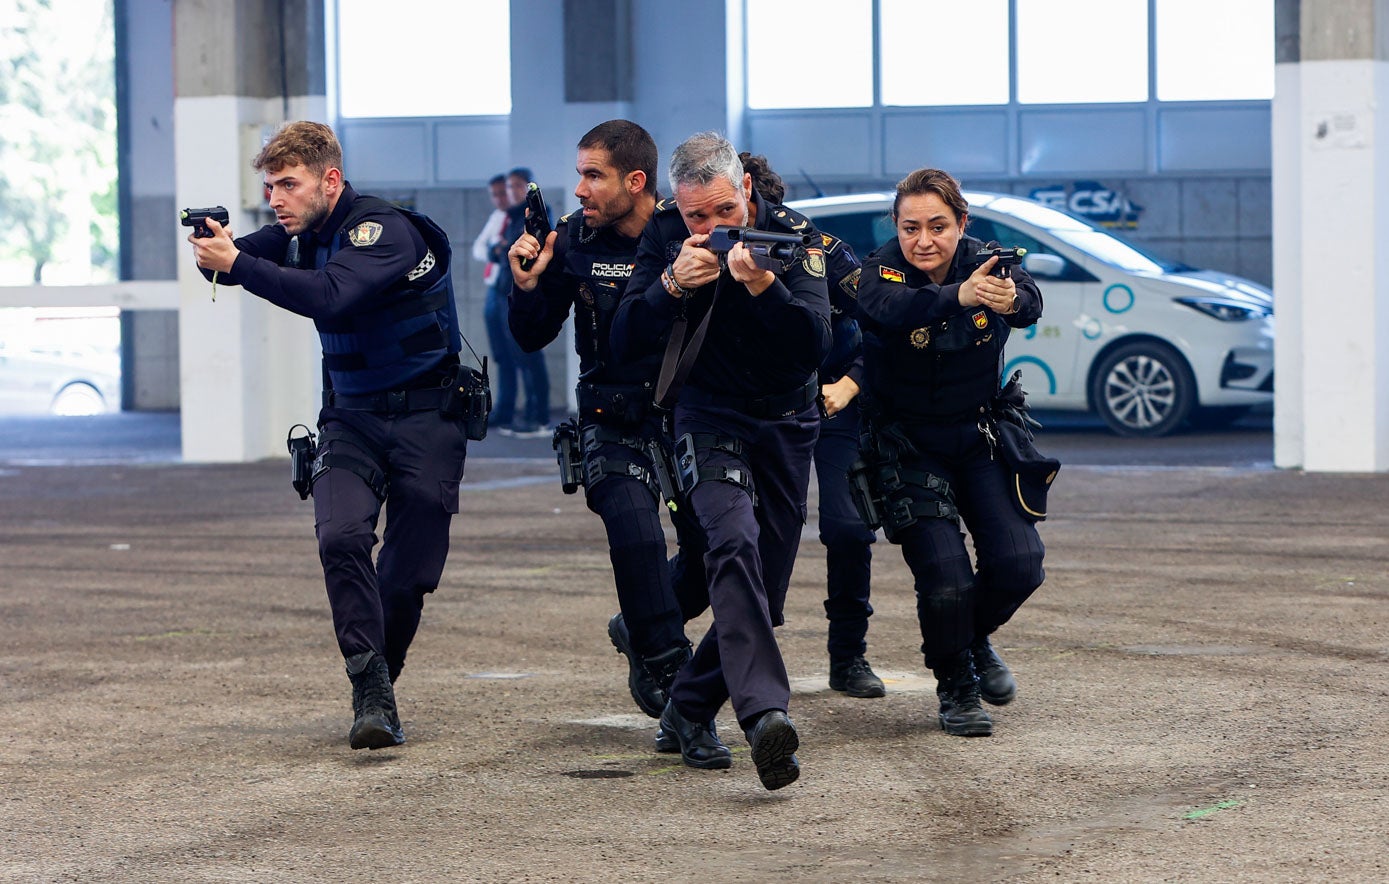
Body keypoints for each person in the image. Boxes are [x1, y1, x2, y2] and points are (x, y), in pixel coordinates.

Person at [187, 121, 474, 751]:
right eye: (269, 187)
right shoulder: (301, 230)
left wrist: (237, 261)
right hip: (351, 419)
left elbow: (333, 295)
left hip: (427, 417)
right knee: (341, 536)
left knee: (408, 574)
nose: (276, 199)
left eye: (288, 184)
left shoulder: (382, 230)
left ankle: (383, 679)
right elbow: (243, 262)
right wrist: (218, 247)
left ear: (330, 180)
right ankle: (369, 687)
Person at [611, 131, 831, 791]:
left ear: (745, 192)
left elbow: (812, 347)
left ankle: (685, 708)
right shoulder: (664, 237)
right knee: (730, 543)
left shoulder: (794, 240)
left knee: (765, 585)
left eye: (721, 214)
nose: (708, 229)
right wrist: (670, 285)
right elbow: (624, 342)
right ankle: (765, 715)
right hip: (707, 417)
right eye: (694, 217)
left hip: (787, 419)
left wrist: (766, 288)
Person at [668, 153, 885, 699]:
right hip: (752, 407)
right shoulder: (695, 249)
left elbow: (882, 325)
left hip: (830, 401)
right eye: (707, 216)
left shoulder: (814, 248)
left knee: (845, 527)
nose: (728, 232)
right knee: (728, 550)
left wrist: (853, 382)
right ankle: (654, 623)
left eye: (739, 213)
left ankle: (848, 655)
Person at [505, 120, 692, 718]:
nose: (579, 189)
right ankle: (669, 671)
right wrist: (527, 286)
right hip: (608, 413)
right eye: (579, 173)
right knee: (634, 534)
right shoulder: (572, 239)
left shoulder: (682, 233)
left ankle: (638, 625)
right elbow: (530, 337)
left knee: (718, 551)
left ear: (635, 182)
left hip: (685, 412)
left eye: (593, 176)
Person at [854, 167, 1047, 738]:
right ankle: (957, 687)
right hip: (906, 446)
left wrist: (1012, 298)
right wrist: (956, 295)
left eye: (939, 226)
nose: (924, 240)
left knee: (1019, 566)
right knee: (947, 582)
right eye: (911, 227)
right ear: (896, 226)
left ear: (962, 223)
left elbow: (1031, 301)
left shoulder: (989, 262)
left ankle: (970, 637)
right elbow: (887, 310)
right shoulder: (879, 270)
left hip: (980, 436)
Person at [492, 167, 552, 437]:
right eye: (508, 187)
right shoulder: (511, 217)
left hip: (526, 294)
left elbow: (528, 250)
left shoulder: (536, 215)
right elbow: (496, 252)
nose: (510, 192)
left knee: (528, 356)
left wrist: (505, 247)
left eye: (517, 187)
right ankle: (529, 415)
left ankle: (537, 417)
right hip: (509, 292)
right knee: (516, 357)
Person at [475, 173, 517, 433]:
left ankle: (517, 411)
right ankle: (504, 410)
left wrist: (498, 249)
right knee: (500, 356)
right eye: (496, 194)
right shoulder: (496, 218)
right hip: (492, 290)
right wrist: (495, 249)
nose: (499, 199)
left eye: (503, 193)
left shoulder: (516, 218)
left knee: (516, 355)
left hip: (507, 291)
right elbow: (479, 249)